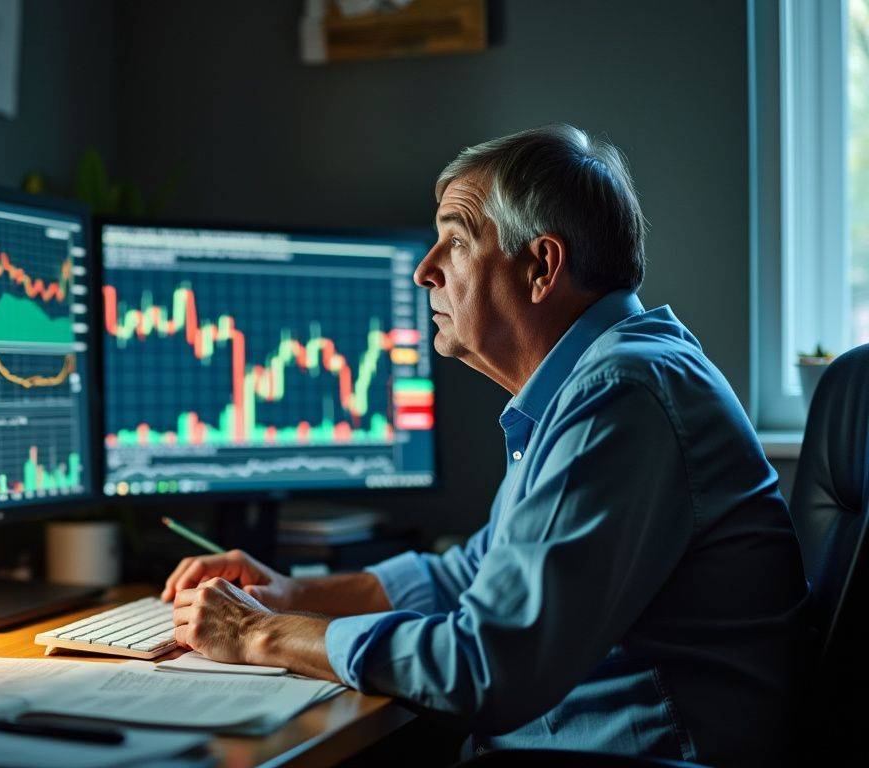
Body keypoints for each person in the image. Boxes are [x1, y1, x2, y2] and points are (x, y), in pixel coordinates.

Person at [162, 124, 808, 765]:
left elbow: (485, 665)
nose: (423, 271)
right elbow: (467, 574)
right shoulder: (594, 383)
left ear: (541, 266)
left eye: (456, 241)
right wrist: (285, 594)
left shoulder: (620, 396)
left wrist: (260, 634)